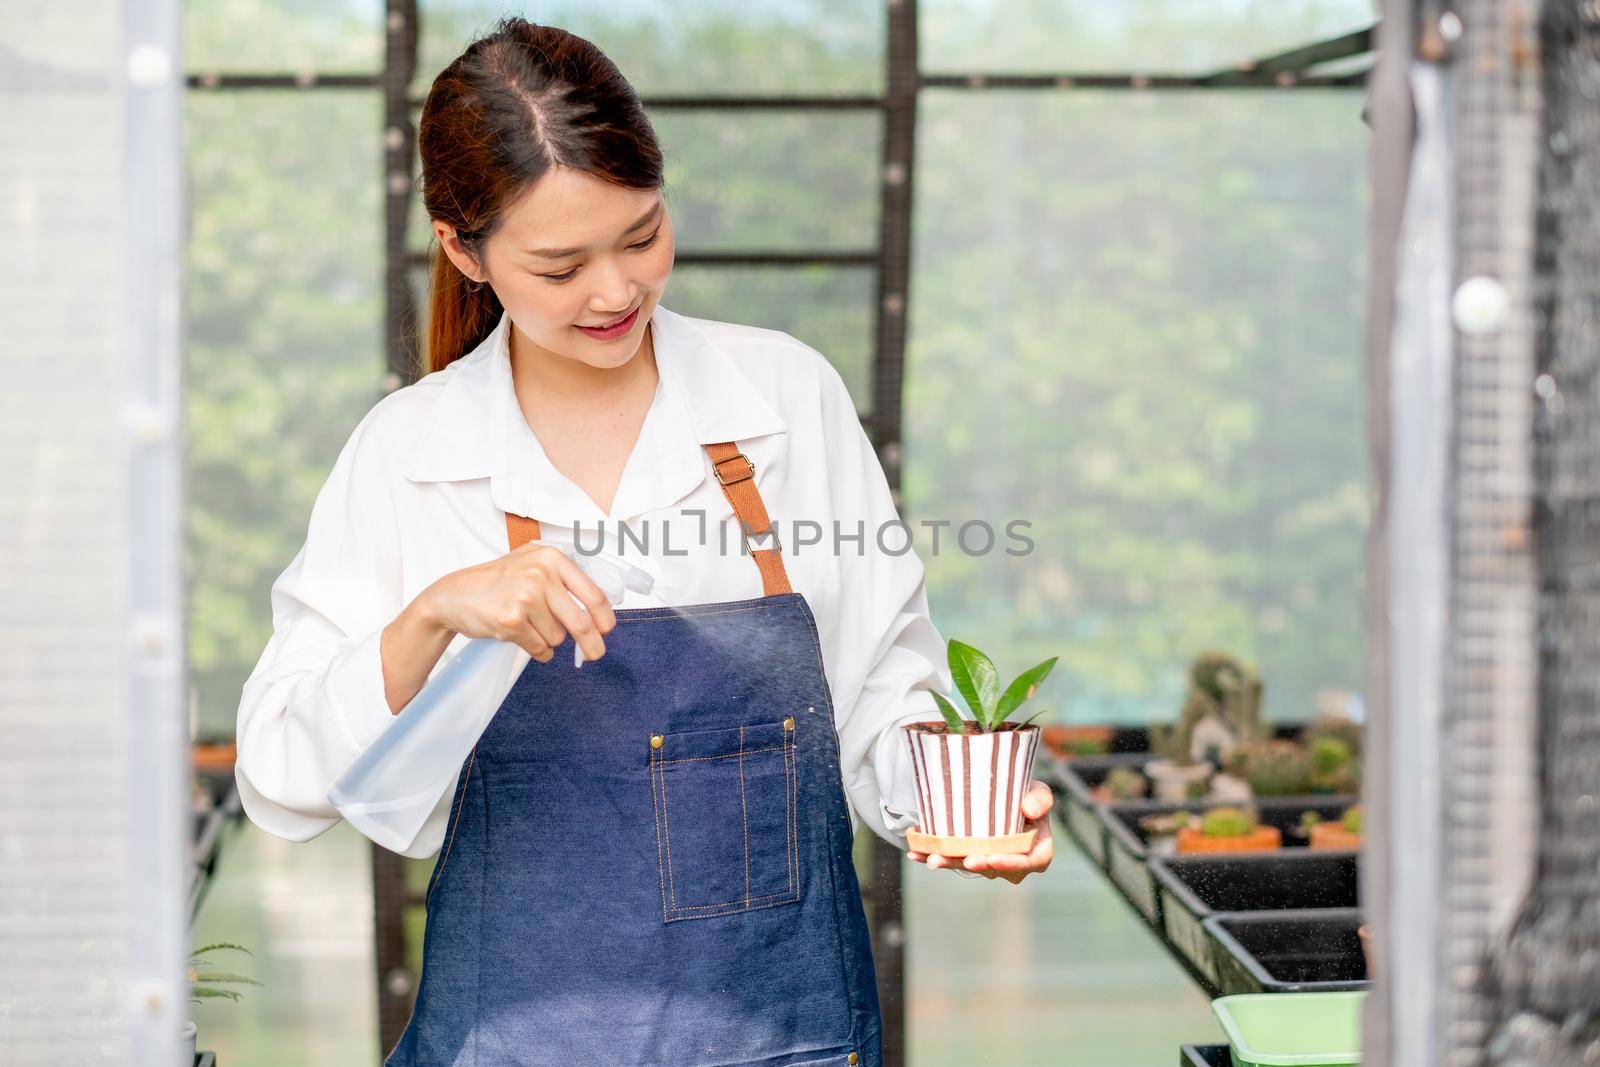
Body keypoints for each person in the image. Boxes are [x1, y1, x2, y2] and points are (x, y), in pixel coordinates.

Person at [233, 17, 1053, 1066]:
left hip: (784, 1039)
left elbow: (882, 686)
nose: (616, 291)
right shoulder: (412, 452)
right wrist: (435, 612)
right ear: (461, 249)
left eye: (641, 235)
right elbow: (284, 771)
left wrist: (961, 809)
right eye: (560, 264)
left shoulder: (781, 398)